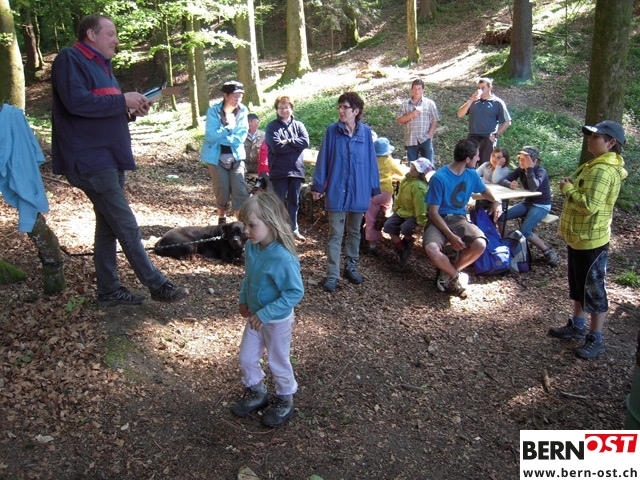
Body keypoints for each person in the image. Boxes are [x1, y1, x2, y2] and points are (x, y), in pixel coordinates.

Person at [51, 14, 188, 306]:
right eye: (111, 33)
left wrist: (130, 110)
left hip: (111, 157)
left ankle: (109, 290)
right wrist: (121, 100)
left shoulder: (103, 66)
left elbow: (101, 109)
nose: (116, 40)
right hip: (90, 159)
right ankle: (157, 284)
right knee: (126, 225)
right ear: (91, 34)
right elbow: (75, 102)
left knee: (108, 227)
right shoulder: (70, 59)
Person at [548, 121, 628, 359]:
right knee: (578, 285)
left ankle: (596, 338)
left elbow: (589, 206)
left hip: (591, 240)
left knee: (593, 290)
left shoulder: (603, 170)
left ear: (610, 143)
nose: (590, 140)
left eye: (596, 137)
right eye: (590, 136)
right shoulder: (595, 165)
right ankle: (577, 325)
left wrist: (568, 190)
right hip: (579, 237)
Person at [232, 191, 304, 427]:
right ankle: (257, 391)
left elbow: (294, 292)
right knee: (246, 357)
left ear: (271, 223)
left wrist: (265, 313)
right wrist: (244, 299)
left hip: (276, 321)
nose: (246, 231)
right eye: (244, 224)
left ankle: (285, 398)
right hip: (255, 317)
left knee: (277, 360)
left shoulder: (283, 258)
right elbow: (249, 277)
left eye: (251, 225)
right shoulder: (254, 247)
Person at [311, 92, 380, 292]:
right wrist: (318, 185)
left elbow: (371, 161)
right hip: (337, 188)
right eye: (339, 107)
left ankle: (351, 267)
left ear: (356, 111)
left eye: (345, 107)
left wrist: (374, 186)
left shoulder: (365, 132)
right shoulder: (332, 131)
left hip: (359, 188)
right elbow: (323, 159)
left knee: (354, 231)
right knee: (335, 233)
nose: (341, 111)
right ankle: (332, 274)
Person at [423, 138, 502, 295]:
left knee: (480, 244)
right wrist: (450, 236)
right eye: (477, 155)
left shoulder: (471, 174)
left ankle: (447, 272)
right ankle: (456, 276)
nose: (478, 159)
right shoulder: (439, 177)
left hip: (459, 218)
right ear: (467, 159)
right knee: (431, 248)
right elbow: (433, 212)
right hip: (439, 219)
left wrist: (496, 201)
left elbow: (484, 190)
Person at [498, 146, 559, 267]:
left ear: (534, 161)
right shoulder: (520, 170)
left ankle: (547, 251)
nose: (521, 161)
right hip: (528, 203)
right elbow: (503, 180)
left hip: (541, 205)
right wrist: (510, 184)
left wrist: (530, 169)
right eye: (520, 159)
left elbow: (533, 187)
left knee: (525, 230)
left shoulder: (540, 171)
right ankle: (507, 244)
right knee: (501, 218)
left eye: (525, 159)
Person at [201, 80, 250, 225]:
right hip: (216, 158)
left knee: (240, 190)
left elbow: (241, 136)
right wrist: (229, 128)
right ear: (226, 95)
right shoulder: (213, 111)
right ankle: (221, 219)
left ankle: (241, 225)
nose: (238, 99)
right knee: (221, 190)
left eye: (240, 96)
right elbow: (210, 136)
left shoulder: (243, 111)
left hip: (236, 157)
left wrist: (222, 137)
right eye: (235, 96)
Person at [264, 95, 310, 242]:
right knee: (279, 202)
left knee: (294, 201)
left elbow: (305, 142)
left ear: (291, 108)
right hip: (279, 171)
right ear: (277, 109)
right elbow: (276, 148)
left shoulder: (299, 126)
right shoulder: (272, 127)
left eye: (287, 107)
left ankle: (293, 229)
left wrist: (289, 141)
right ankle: (278, 230)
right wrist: (296, 148)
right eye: (281, 107)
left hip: (296, 170)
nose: (284, 110)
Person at [383, 157, 432, 268]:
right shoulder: (406, 179)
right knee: (388, 225)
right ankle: (401, 247)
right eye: (412, 167)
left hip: (413, 214)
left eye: (415, 169)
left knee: (406, 228)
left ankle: (407, 242)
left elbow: (421, 206)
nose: (412, 170)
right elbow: (399, 196)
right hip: (402, 211)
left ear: (421, 173)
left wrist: (421, 223)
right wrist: (395, 209)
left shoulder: (419, 187)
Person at [364, 137, 408, 255]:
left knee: (370, 219)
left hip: (372, 192)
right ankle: (384, 212)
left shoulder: (369, 160)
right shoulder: (390, 161)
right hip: (386, 193)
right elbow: (402, 172)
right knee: (387, 207)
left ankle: (372, 245)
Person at [457, 77, 511, 165]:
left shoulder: (497, 103)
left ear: (490, 88)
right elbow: (460, 114)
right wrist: (471, 100)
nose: (480, 90)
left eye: (483, 88)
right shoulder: (474, 101)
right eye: (479, 88)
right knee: (468, 164)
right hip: (472, 138)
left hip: (487, 139)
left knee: (484, 166)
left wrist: (495, 135)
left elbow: (507, 122)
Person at [396, 78, 440, 163]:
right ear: (411, 90)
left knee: (429, 165)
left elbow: (435, 120)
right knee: (410, 166)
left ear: (423, 90)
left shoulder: (429, 104)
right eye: (415, 89)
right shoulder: (405, 104)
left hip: (425, 139)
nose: (417, 91)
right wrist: (411, 115)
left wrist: (430, 134)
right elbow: (399, 120)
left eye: (419, 89)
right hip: (410, 140)